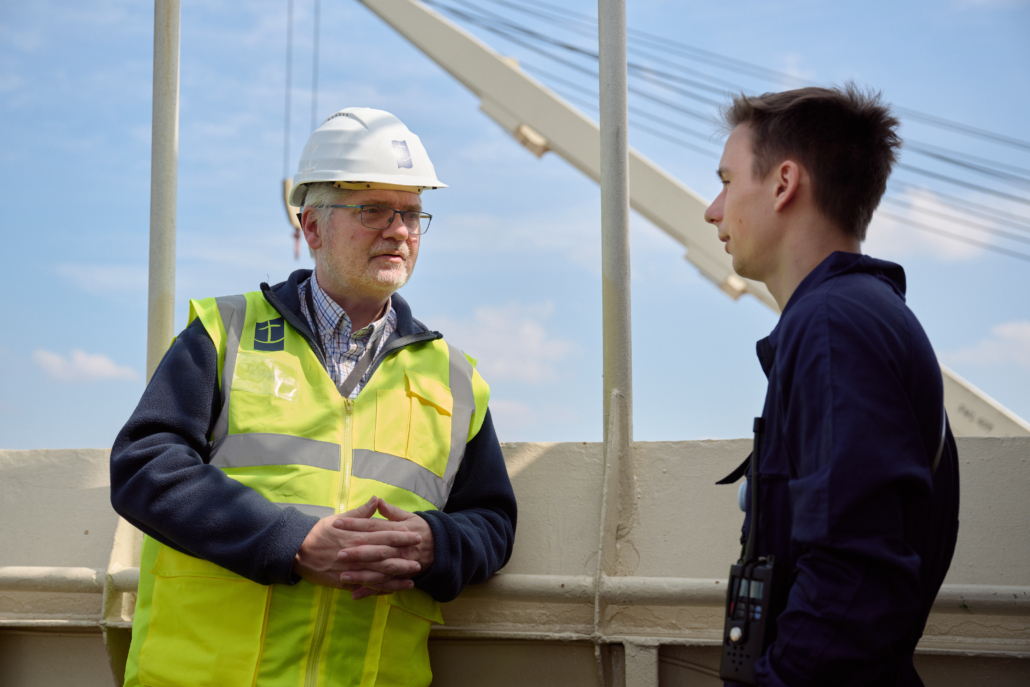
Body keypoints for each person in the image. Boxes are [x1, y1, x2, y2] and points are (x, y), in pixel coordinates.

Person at [111, 107, 517, 687]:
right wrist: (293, 542)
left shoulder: (453, 377)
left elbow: (492, 521)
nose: (398, 230)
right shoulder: (225, 332)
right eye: (372, 210)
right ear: (312, 228)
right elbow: (143, 466)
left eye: (410, 213)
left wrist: (436, 544)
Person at [705, 86, 960, 686]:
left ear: (784, 183)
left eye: (725, 180)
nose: (713, 210)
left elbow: (854, 577)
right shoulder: (862, 315)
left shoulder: (833, 325)